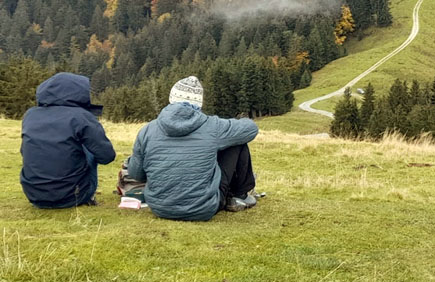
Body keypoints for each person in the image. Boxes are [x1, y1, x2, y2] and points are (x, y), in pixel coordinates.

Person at [127, 76, 260, 221]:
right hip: (203, 208)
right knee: (237, 141)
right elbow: (250, 129)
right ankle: (240, 196)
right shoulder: (213, 126)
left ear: (172, 99)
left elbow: (136, 174)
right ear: (198, 103)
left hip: (159, 208)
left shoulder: (147, 130)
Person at [20, 72, 116, 208]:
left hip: (34, 195)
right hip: (73, 196)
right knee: (90, 150)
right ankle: (87, 194)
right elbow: (107, 156)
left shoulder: (30, 115)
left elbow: (24, 151)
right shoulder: (82, 117)